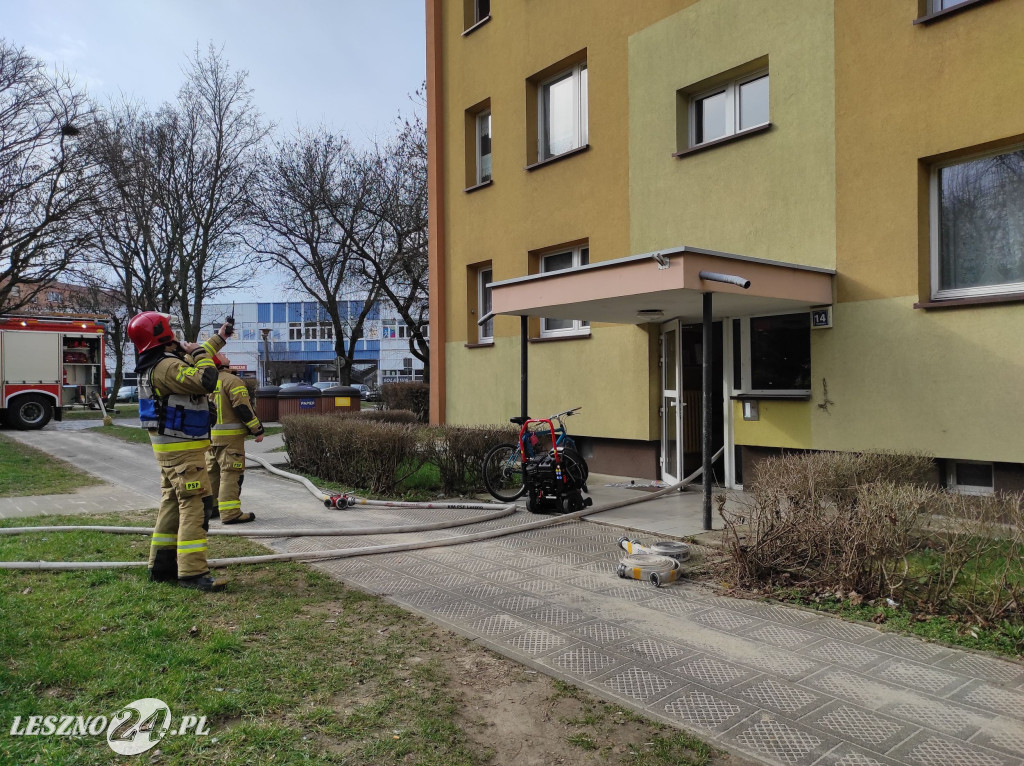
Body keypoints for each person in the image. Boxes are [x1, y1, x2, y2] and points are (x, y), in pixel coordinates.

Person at [127, 311, 232, 592]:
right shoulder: (167, 366)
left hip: (172, 451)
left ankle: (161, 567)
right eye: (169, 327)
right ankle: (192, 572)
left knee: (172, 503)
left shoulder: (156, 362)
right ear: (161, 332)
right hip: (183, 452)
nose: (174, 332)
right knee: (196, 507)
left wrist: (219, 338)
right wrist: (198, 351)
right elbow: (206, 379)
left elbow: (191, 358)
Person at [207, 353, 264, 524]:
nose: (224, 355)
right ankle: (230, 513)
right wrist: (257, 430)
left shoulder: (205, 381)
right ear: (218, 361)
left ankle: (210, 509)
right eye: (220, 354)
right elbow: (242, 408)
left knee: (212, 472)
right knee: (231, 473)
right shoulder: (232, 381)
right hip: (230, 440)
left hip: (209, 437)